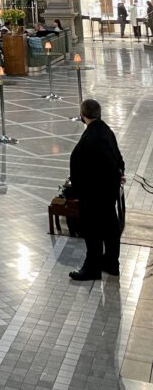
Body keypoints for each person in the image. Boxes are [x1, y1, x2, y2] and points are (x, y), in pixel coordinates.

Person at [68, 99, 125, 280]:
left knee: (93, 231)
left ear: (83, 115)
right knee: (111, 228)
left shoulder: (91, 138)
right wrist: (118, 175)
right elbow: (118, 158)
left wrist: (76, 190)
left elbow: (81, 166)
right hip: (109, 192)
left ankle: (92, 268)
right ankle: (111, 263)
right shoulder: (106, 131)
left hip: (93, 194)